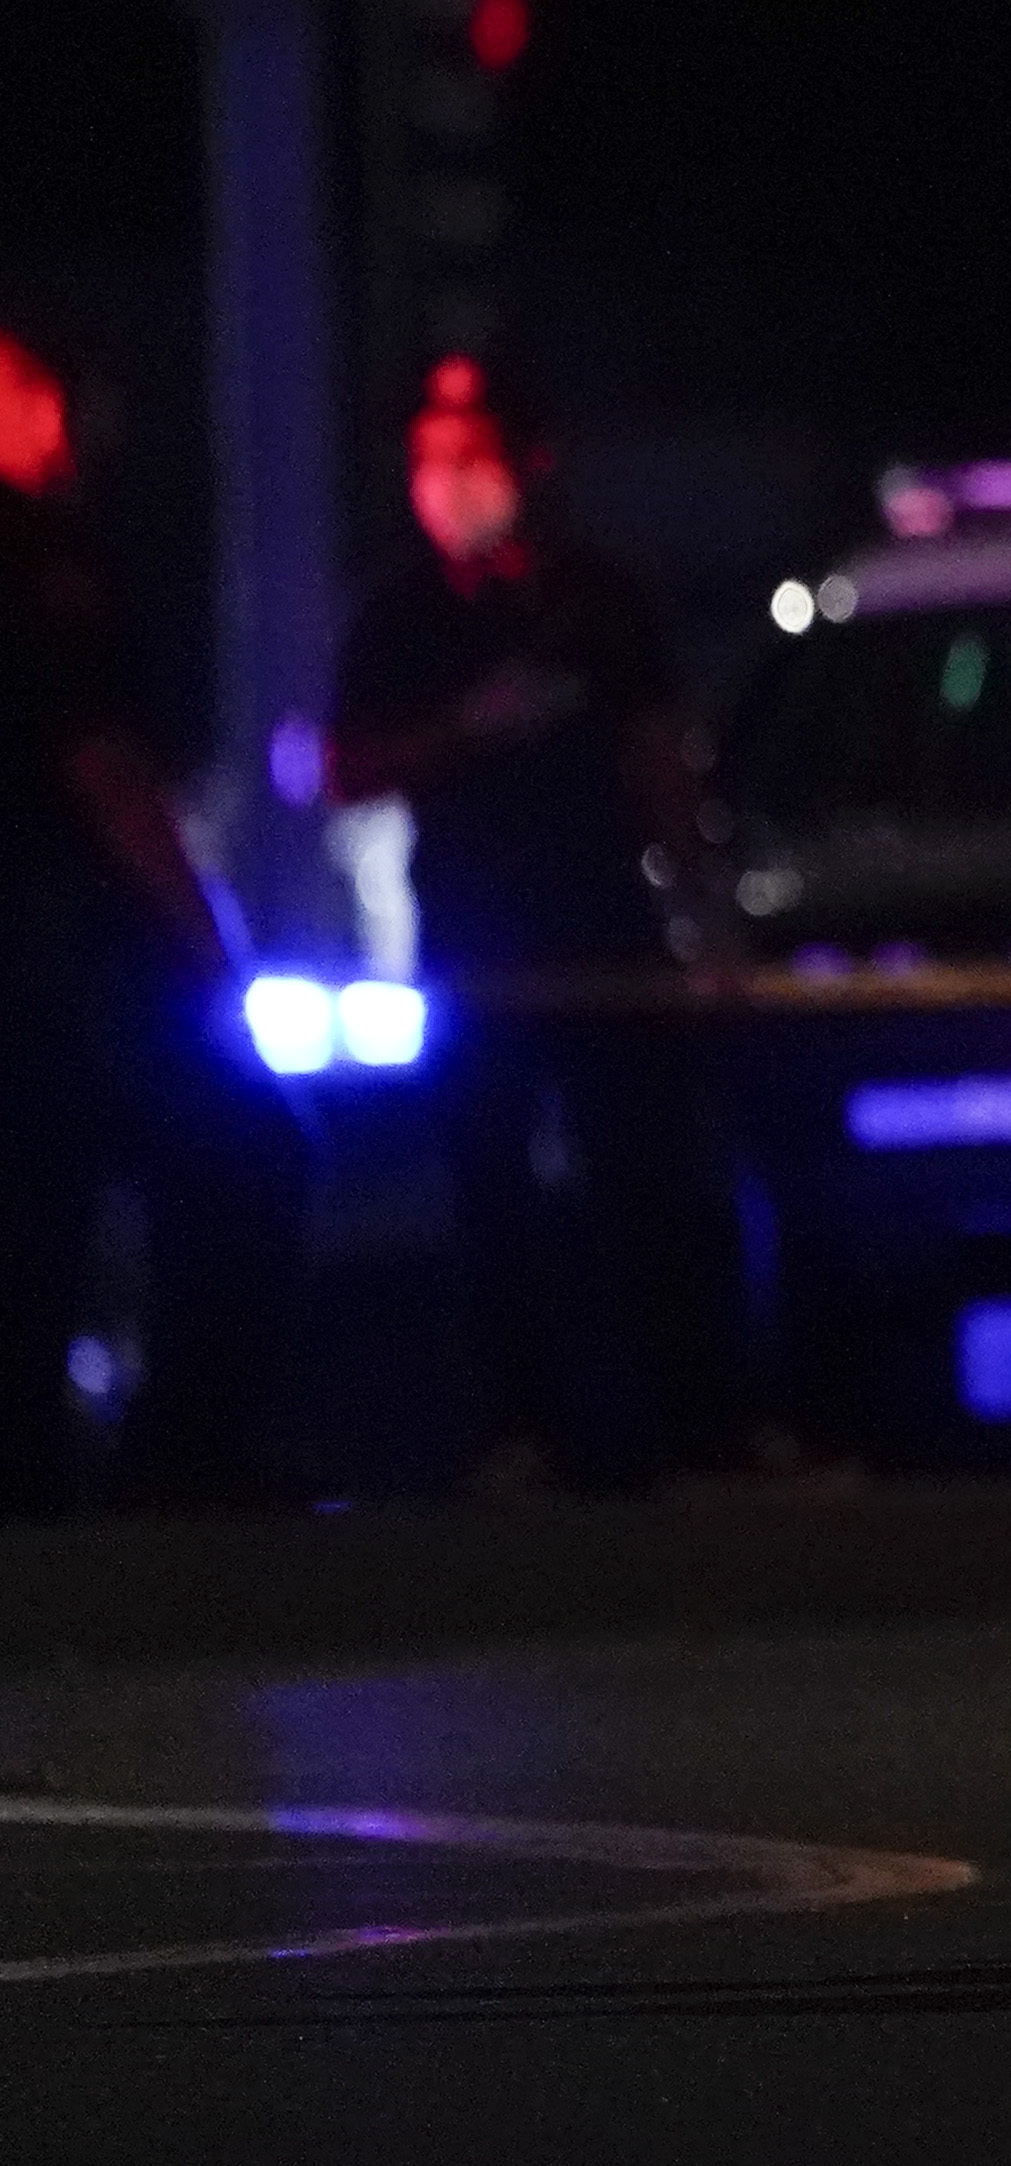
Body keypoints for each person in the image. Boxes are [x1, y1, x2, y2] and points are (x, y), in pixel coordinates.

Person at [326, 354, 744, 1491]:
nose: (447, 483)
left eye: (470, 458)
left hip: (604, 936)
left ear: (530, 464)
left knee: (648, 1186)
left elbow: (660, 757)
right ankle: (523, 1434)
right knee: (490, 1198)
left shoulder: (601, 600)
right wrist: (466, 731)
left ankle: (699, 1435)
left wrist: (701, 911)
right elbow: (344, 767)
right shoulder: (401, 612)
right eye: (428, 462)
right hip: (475, 951)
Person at [0, 327, 311, 1512]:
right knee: (253, 1155)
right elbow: (104, 768)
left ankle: (35, 1487)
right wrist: (207, 939)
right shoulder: (40, 559)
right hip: (75, 954)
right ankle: (184, 1457)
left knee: (35, 1218)